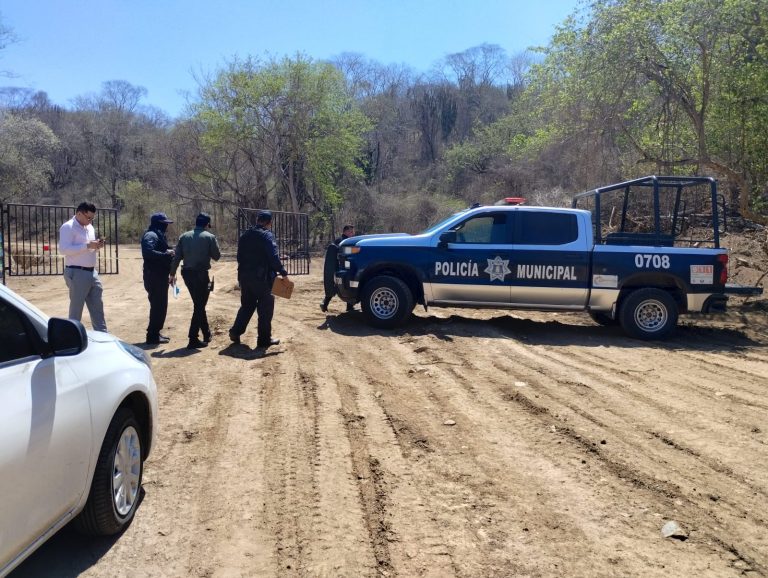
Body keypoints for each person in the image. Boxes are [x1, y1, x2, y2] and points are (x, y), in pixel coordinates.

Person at [229, 210, 289, 349]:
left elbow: (239, 257)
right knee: (265, 308)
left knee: (247, 305)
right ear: (269, 223)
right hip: (262, 279)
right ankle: (264, 339)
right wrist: (283, 272)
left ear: (257, 220)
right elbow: (273, 257)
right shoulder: (267, 235)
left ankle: (235, 331)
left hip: (244, 277)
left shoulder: (245, 235)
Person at [169, 213, 221, 349]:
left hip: (186, 273)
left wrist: (172, 274)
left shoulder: (184, 236)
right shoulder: (210, 237)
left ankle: (206, 333)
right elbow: (217, 256)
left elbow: (177, 257)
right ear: (206, 224)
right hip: (201, 274)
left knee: (199, 303)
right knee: (200, 305)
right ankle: (193, 338)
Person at [58, 202, 107, 331]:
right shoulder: (67, 227)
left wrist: (96, 246)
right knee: (76, 309)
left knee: (98, 307)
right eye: (88, 217)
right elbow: (63, 249)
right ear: (79, 213)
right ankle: (72, 338)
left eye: (92, 218)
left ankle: (103, 335)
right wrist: (87, 246)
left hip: (92, 272)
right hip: (76, 272)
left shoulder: (90, 227)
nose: (90, 221)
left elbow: (89, 249)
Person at [141, 212, 175, 345]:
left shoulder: (157, 234)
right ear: (159, 224)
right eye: (165, 223)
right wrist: (166, 254)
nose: (167, 226)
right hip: (154, 276)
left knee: (160, 305)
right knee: (158, 306)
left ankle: (155, 333)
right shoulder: (151, 235)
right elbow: (147, 252)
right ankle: (152, 335)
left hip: (159, 275)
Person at [320, 224, 355, 313]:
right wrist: (357, 250)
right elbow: (344, 252)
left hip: (344, 268)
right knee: (334, 286)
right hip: (339, 269)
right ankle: (324, 304)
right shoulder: (342, 241)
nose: (352, 233)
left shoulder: (345, 241)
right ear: (345, 232)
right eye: (351, 232)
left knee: (346, 286)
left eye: (353, 232)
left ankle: (349, 306)